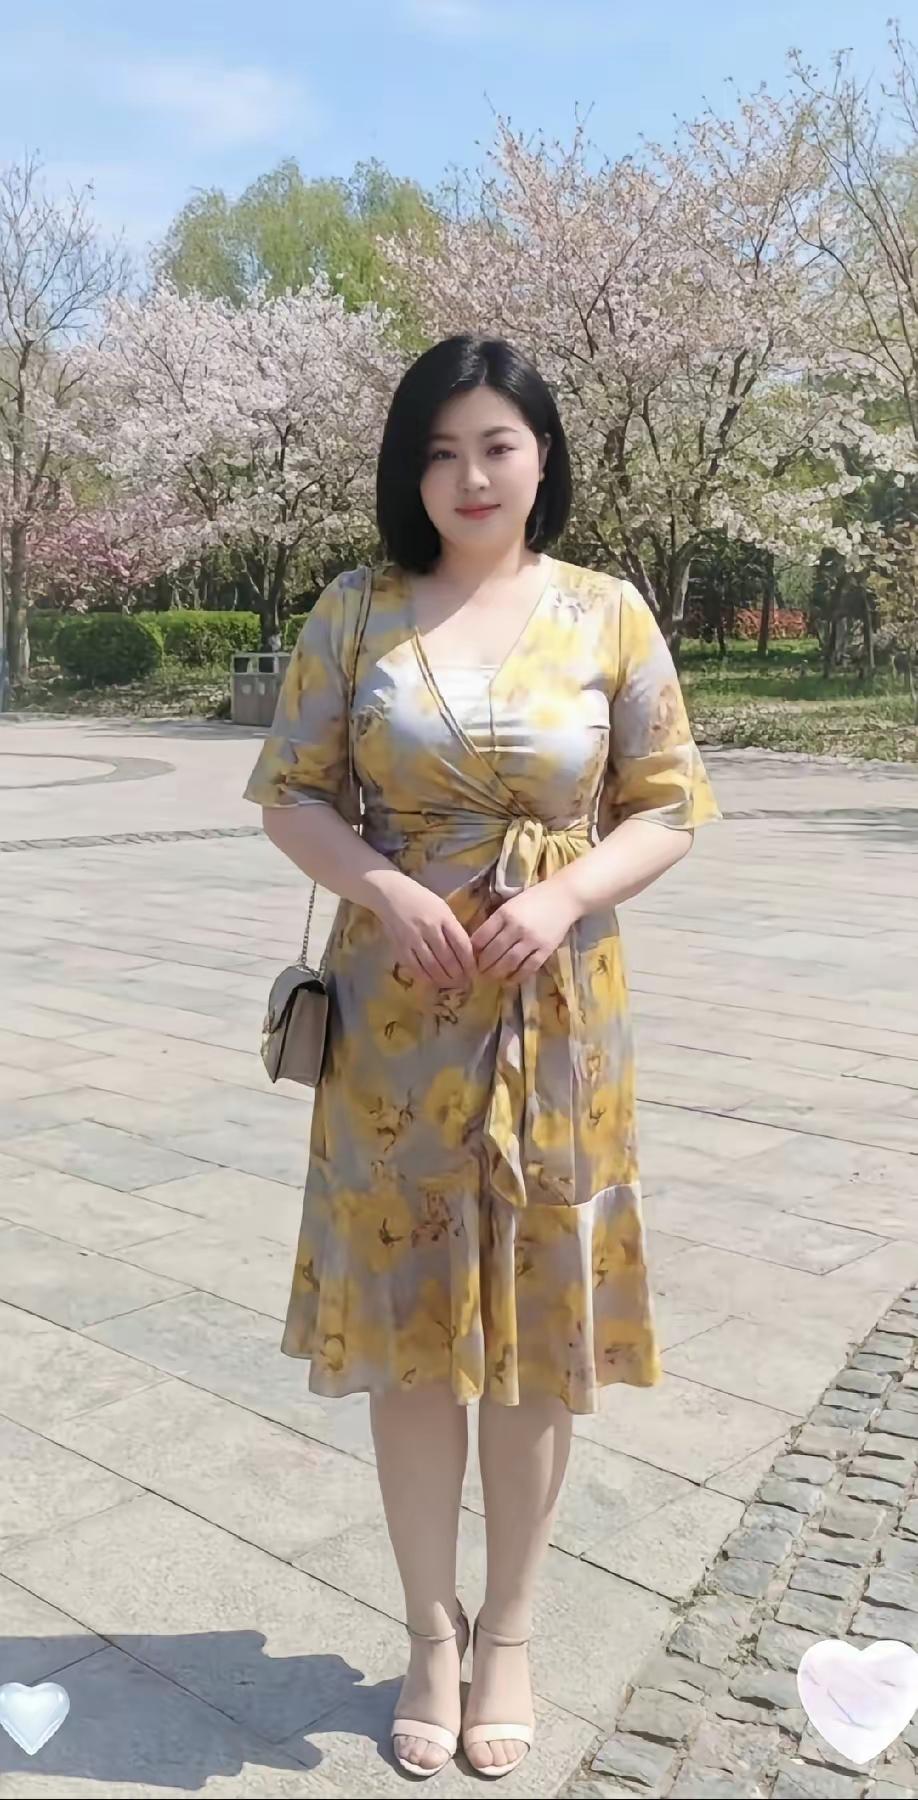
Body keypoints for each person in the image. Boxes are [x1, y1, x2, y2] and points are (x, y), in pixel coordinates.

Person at [244, 334, 721, 1779]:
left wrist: (565, 899)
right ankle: (428, 1632)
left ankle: (507, 1628)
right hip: (395, 1032)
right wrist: (384, 889)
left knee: (534, 1345)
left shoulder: (606, 612)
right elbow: (290, 793)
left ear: (540, 457)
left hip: (556, 1022)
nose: (468, 476)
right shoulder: (355, 611)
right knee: (411, 1339)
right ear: (411, 468)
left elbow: (669, 800)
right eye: (440, 450)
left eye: (496, 445)